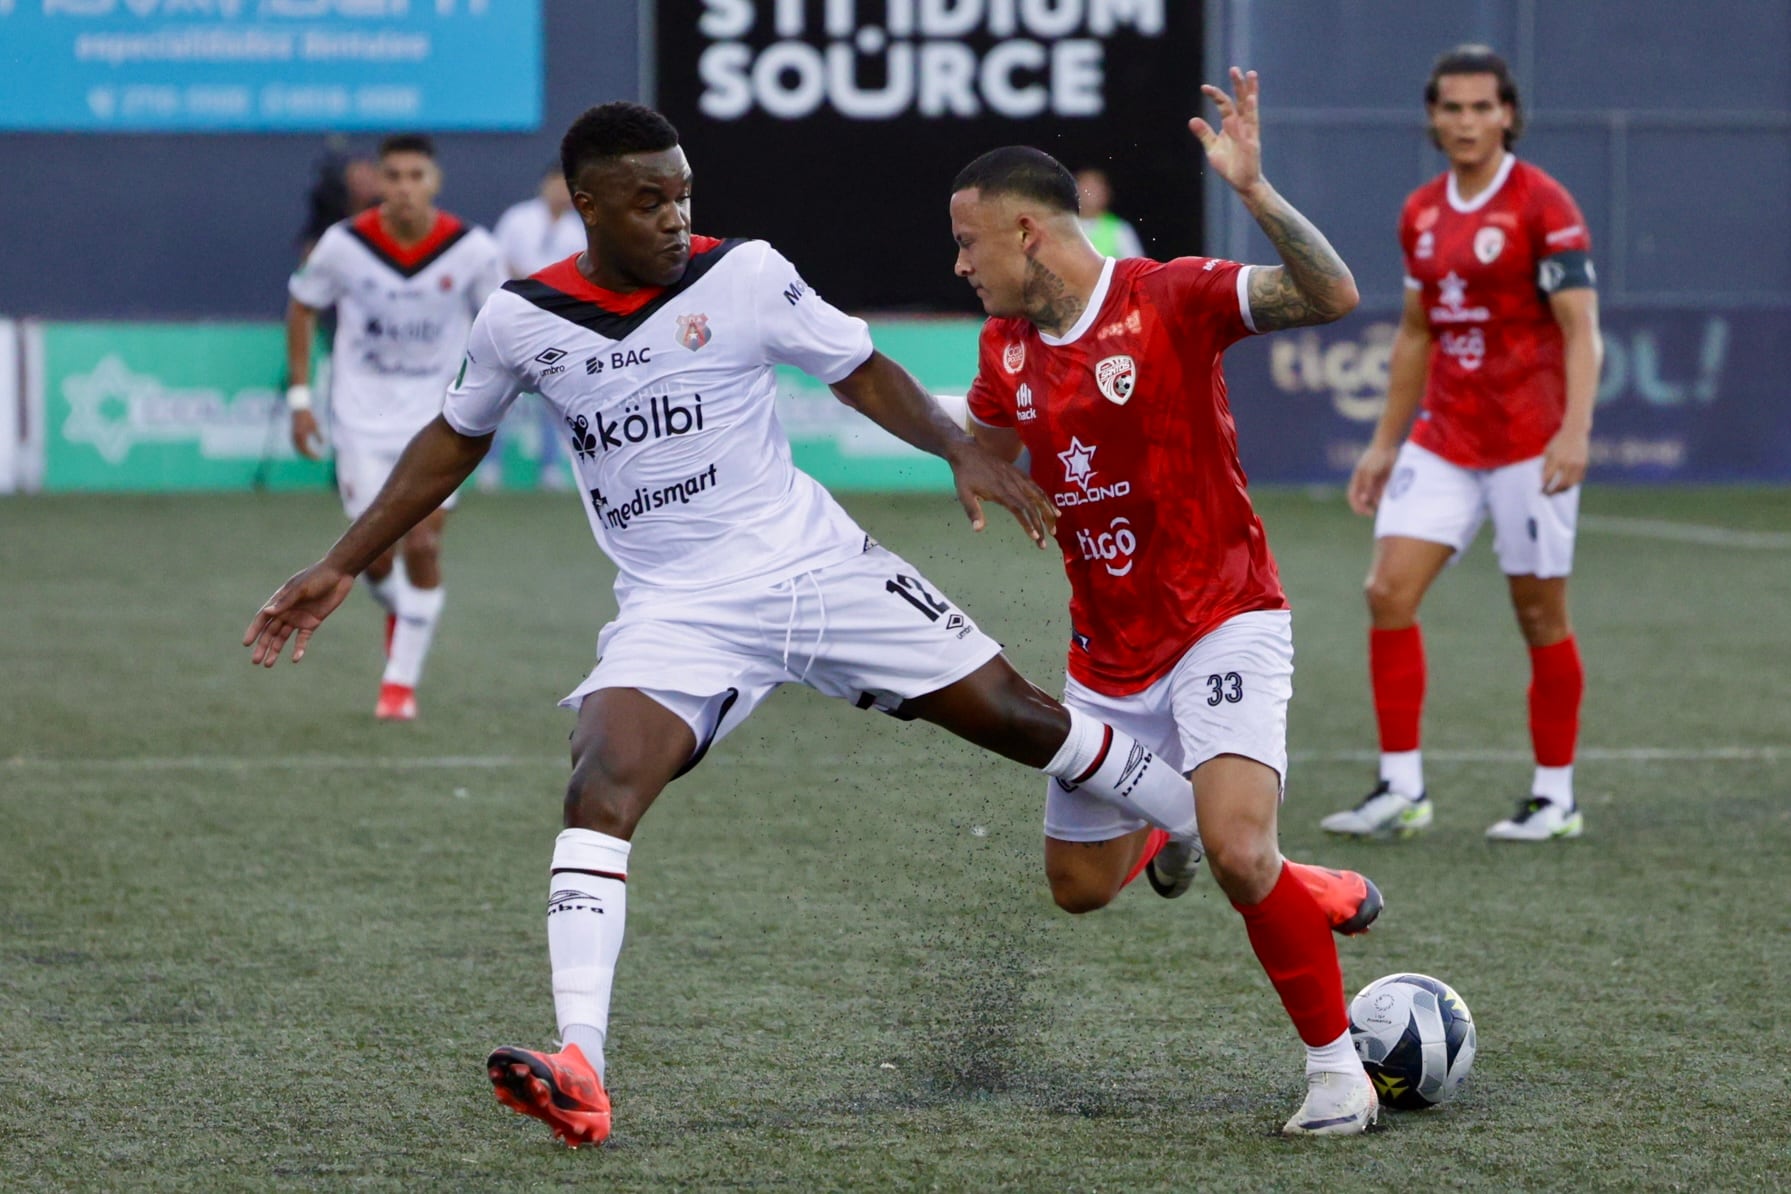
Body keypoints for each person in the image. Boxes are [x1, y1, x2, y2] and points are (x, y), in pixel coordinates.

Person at [244, 101, 1328, 1149]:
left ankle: (1233, 845)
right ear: (588, 203)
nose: (675, 216)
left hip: (817, 569)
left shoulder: (746, 274)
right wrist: (341, 562)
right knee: (599, 780)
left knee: (1018, 719)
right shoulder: (521, 319)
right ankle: (581, 1065)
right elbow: (452, 437)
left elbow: (861, 373)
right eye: (649, 200)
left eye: (683, 196)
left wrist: (959, 450)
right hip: (678, 609)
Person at [956, 68, 1384, 1136]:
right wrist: (980, 469)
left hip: (1224, 615)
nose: (960, 265)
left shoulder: (1169, 296)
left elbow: (1332, 298)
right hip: (1107, 655)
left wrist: (1258, 194)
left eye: (970, 244)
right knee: (1079, 888)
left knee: (1242, 853)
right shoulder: (1005, 348)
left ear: (1026, 232)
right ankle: (1232, 849)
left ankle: (1338, 1074)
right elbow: (993, 435)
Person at [1320, 45, 1601, 843]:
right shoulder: (1421, 211)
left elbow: (1581, 330)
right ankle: (1400, 790)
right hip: (1443, 436)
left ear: (1507, 113)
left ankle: (1555, 797)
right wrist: (1383, 443)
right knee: (1386, 592)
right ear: (1432, 118)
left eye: (1482, 107)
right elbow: (1415, 333)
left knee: (1538, 613)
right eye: (1452, 107)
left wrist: (1574, 430)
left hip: (1529, 440)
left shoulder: (1543, 204)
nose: (1467, 121)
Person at [283, 133, 504, 721]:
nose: (405, 187)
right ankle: (400, 611)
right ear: (380, 182)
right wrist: (301, 397)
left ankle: (399, 685)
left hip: (440, 418)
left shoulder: (472, 249)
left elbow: (503, 324)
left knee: (424, 542)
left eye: (416, 176)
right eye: (394, 176)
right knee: (373, 559)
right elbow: (303, 304)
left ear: (434, 182)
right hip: (359, 418)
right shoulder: (344, 244)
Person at [485, 162, 592, 491]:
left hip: (558, 324)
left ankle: (550, 466)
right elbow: (496, 261)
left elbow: (583, 275)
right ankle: (490, 467)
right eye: (555, 184)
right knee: (500, 396)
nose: (560, 192)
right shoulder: (518, 219)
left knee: (556, 396)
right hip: (517, 319)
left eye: (566, 186)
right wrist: (534, 284)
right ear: (544, 185)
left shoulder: (578, 229)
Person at [1074, 167, 1144, 259]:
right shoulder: (1059, 227)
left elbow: (1137, 269)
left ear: (1107, 194)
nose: (1090, 194)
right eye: (1085, 187)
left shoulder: (1119, 229)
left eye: (1096, 188)